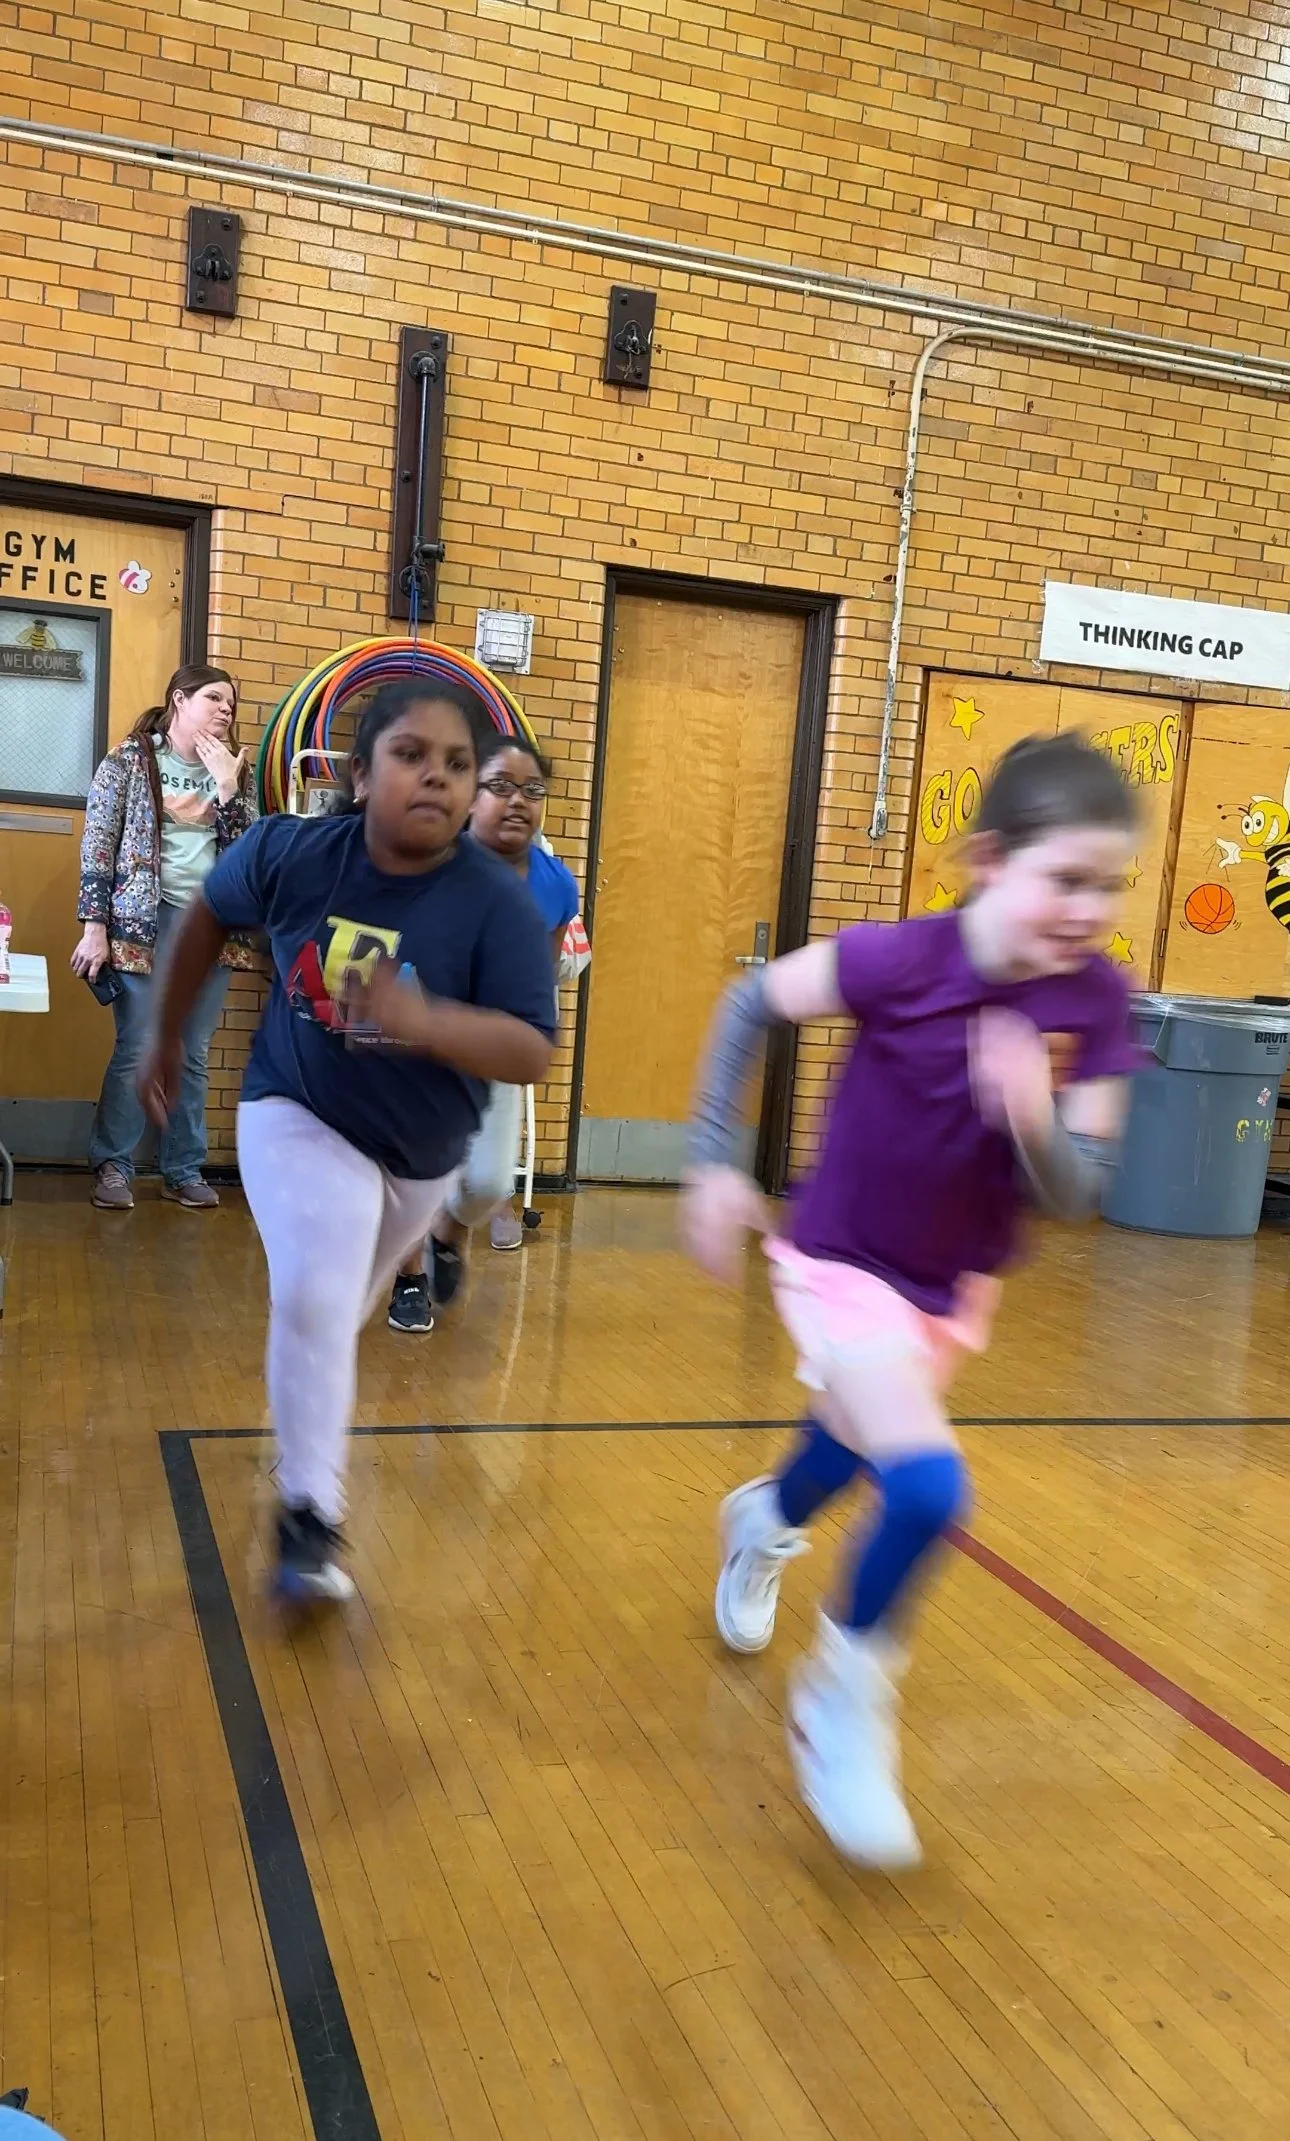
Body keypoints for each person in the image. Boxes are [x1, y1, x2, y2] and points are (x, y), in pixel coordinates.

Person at [682, 734, 1140, 1869]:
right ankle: (841, 1697)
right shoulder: (900, 959)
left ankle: (763, 1518)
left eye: (1111, 884)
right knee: (929, 1483)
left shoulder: (1101, 1003)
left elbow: (1079, 1196)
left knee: (843, 1447)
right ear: (989, 859)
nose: (1090, 908)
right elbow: (751, 1003)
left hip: (953, 1285)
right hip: (841, 1261)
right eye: (1067, 879)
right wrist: (709, 1158)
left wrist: (1033, 1114)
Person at [137, 680, 556, 1602]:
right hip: (298, 1107)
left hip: (419, 1157)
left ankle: (305, 1434)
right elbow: (207, 914)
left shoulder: (498, 904)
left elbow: (531, 1048)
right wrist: (165, 1034)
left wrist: (424, 1019)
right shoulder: (294, 850)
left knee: (334, 1314)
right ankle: (309, 1517)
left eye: (456, 765)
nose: (437, 779)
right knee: (320, 1296)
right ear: (361, 775)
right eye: (411, 755)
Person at [388, 736, 580, 1333]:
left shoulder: (554, 885)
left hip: (490, 1045)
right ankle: (409, 1278)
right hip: (416, 1042)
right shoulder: (429, 862)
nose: (517, 800)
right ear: (470, 796)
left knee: (488, 1182)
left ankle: (449, 1233)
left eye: (532, 789)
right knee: (411, 1169)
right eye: (500, 786)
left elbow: (542, 978)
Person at [70, 663, 256, 1211]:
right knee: (137, 1046)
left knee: (193, 1052)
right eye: (215, 698)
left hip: (211, 929)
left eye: (231, 703)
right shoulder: (130, 760)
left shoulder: (235, 771)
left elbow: (250, 857)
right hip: (139, 924)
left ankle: (183, 1168)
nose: (227, 710)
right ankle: (113, 1164)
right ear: (180, 699)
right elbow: (99, 845)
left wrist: (227, 790)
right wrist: (94, 927)